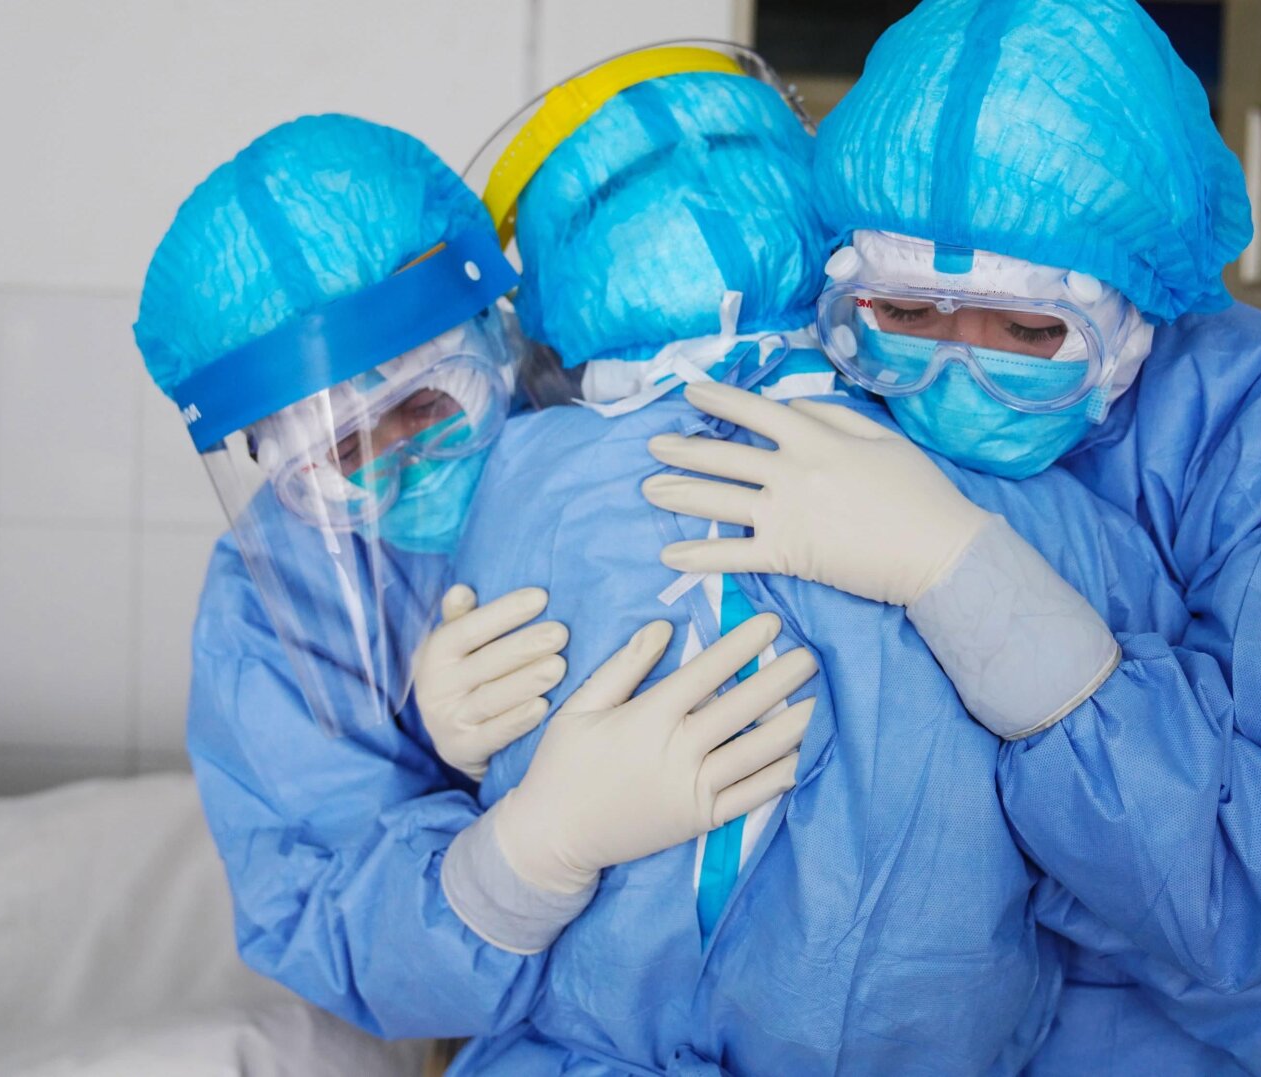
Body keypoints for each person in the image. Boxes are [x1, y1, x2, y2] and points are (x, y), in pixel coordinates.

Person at [641, 2, 1261, 1073]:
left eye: (1026, 334)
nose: (953, 374)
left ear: (1134, 306)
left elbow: (1260, 887)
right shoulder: (837, 375)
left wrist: (963, 579)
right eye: (910, 314)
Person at [430, 44, 1191, 1075]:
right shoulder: (1013, 489)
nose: (962, 351)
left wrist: (450, 741)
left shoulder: (515, 480)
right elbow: (1163, 835)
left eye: (1022, 330)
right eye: (919, 316)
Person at [136, 112, 810, 1063]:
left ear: (497, 334)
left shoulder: (631, 421)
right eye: (343, 452)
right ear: (270, 462)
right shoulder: (271, 609)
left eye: (425, 403)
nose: (403, 464)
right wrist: (528, 850)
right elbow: (322, 914)